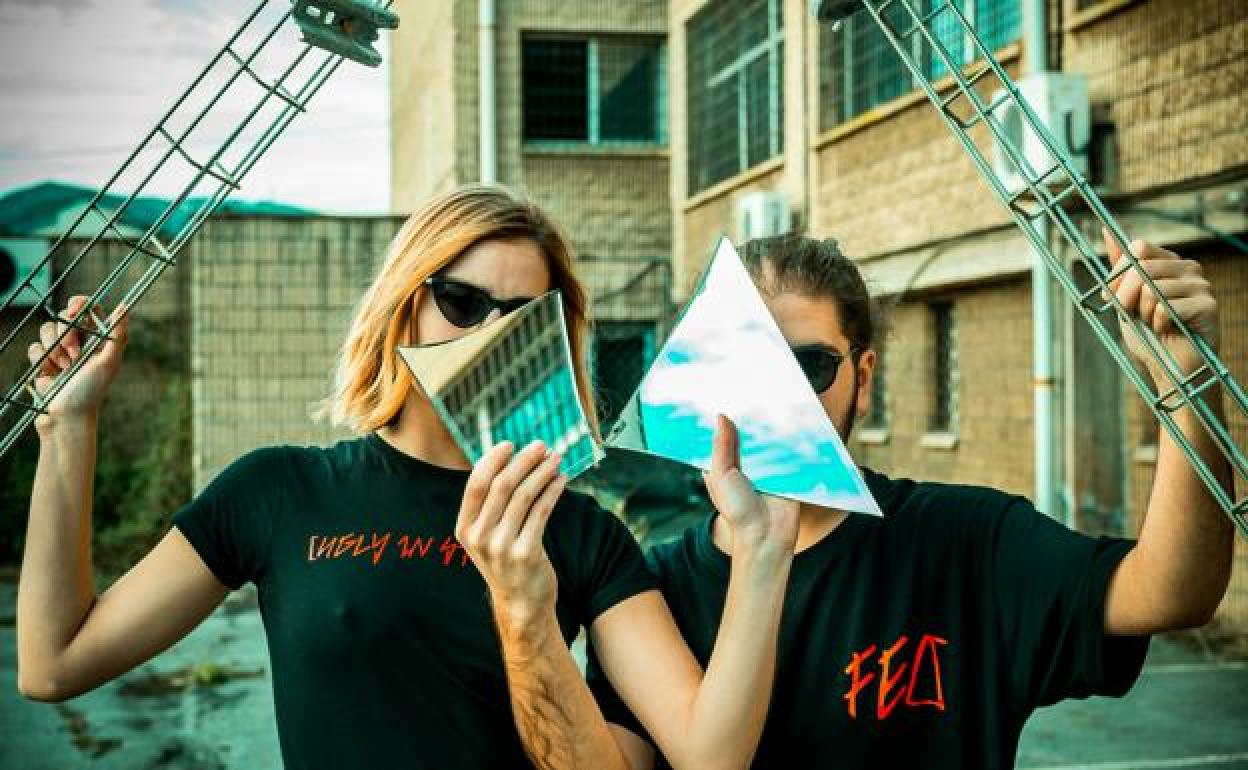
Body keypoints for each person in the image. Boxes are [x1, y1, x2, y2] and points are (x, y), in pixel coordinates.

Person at [16, 185, 798, 770]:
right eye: (461, 301)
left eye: (521, 317)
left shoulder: (581, 532)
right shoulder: (280, 491)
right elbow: (54, 663)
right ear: (403, 307)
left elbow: (709, 756)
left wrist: (529, 610)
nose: (488, 334)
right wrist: (69, 430)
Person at [578, 232, 1235, 768]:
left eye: (809, 366)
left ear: (863, 380)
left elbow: (1171, 592)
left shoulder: (963, 542)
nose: (777, 398)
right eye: (747, 367)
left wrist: (1187, 381)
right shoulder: (649, 599)